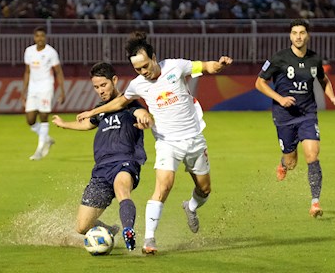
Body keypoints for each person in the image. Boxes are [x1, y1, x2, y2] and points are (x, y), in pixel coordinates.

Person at [77, 31, 233, 254]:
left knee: (204, 189)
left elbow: (206, 67)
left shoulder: (175, 66)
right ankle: (149, 240)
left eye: (145, 66)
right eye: (137, 69)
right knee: (163, 186)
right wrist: (94, 111)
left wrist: (220, 65)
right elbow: (120, 102)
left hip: (194, 139)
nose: (143, 72)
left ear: (153, 57)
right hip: (167, 142)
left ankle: (190, 207)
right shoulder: (138, 84)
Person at [52, 62, 152, 251]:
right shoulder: (101, 108)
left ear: (114, 80)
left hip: (124, 161)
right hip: (101, 169)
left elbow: (141, 112)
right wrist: (64, 124)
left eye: (103, 85)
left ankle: (128, 231)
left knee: (122, 189)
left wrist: (145, 117)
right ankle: (110, 231)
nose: (100, 90)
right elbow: (87, 124)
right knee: (82, 226)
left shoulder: (128, 102)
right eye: (96, 87)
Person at [255, 18, 335, 218]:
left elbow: (323, 79)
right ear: (290, 36)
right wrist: (280, 98)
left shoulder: (314, 59)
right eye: (295, 33)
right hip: (284, 116)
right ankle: (283, 164)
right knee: (291, 161)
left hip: (307, 114)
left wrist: (332, 96)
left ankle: (315, 203)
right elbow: (259, 83)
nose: (298, 37)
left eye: (302, 33)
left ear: (308, 35)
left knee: (312, 155)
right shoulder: (279, 58)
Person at [21, 26, 65, 161]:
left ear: (45, 37)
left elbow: (58, 72)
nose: (40, 38)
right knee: (30, 120)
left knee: (44, 116)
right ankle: (47, 138)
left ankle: (39, 150)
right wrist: (24, 90)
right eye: (37, 36)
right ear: (34, 37)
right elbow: (27, 71)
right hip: (33, 88)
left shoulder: (51, 52)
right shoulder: (29, 51)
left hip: (46, 86)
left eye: (42, 36)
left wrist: (62, 91)